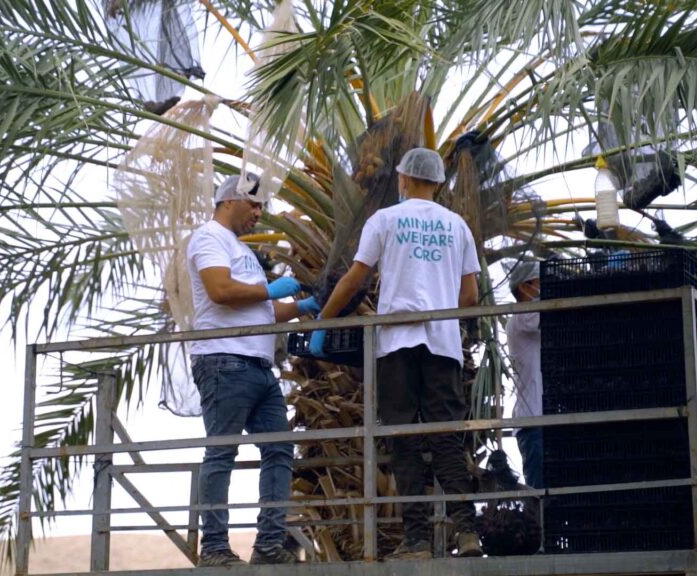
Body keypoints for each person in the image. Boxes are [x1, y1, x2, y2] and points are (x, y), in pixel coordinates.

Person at [312, 148, 484, 560]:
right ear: (438, 183)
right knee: (445, 437)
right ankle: (467, 532)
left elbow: (355, 279)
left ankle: (417, 540)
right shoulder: (457, 225)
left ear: (403, 179)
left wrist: (322, 321)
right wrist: (441, 310)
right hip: (442, 345)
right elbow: (470, 295)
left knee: (403, 439)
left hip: (396, 345)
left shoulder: (385, 220)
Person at [187, 173, 321, 566]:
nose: (259, 213)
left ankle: (269, 545)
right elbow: (221, 292)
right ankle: (214, 548)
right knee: (222, 451)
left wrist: (300, 307)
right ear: (230, 200)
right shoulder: (209, 237)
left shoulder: (240, 249)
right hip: (223, 360)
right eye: (254, 204)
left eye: (262, 206)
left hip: (259, 365)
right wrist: (268, 290)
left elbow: (263, 310)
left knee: (279, 448)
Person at [503, 260, 543, 489]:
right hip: (533, 422)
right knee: (541, 493)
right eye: (539, 283)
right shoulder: (523, 317)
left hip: (538, 420)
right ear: (524, 287)